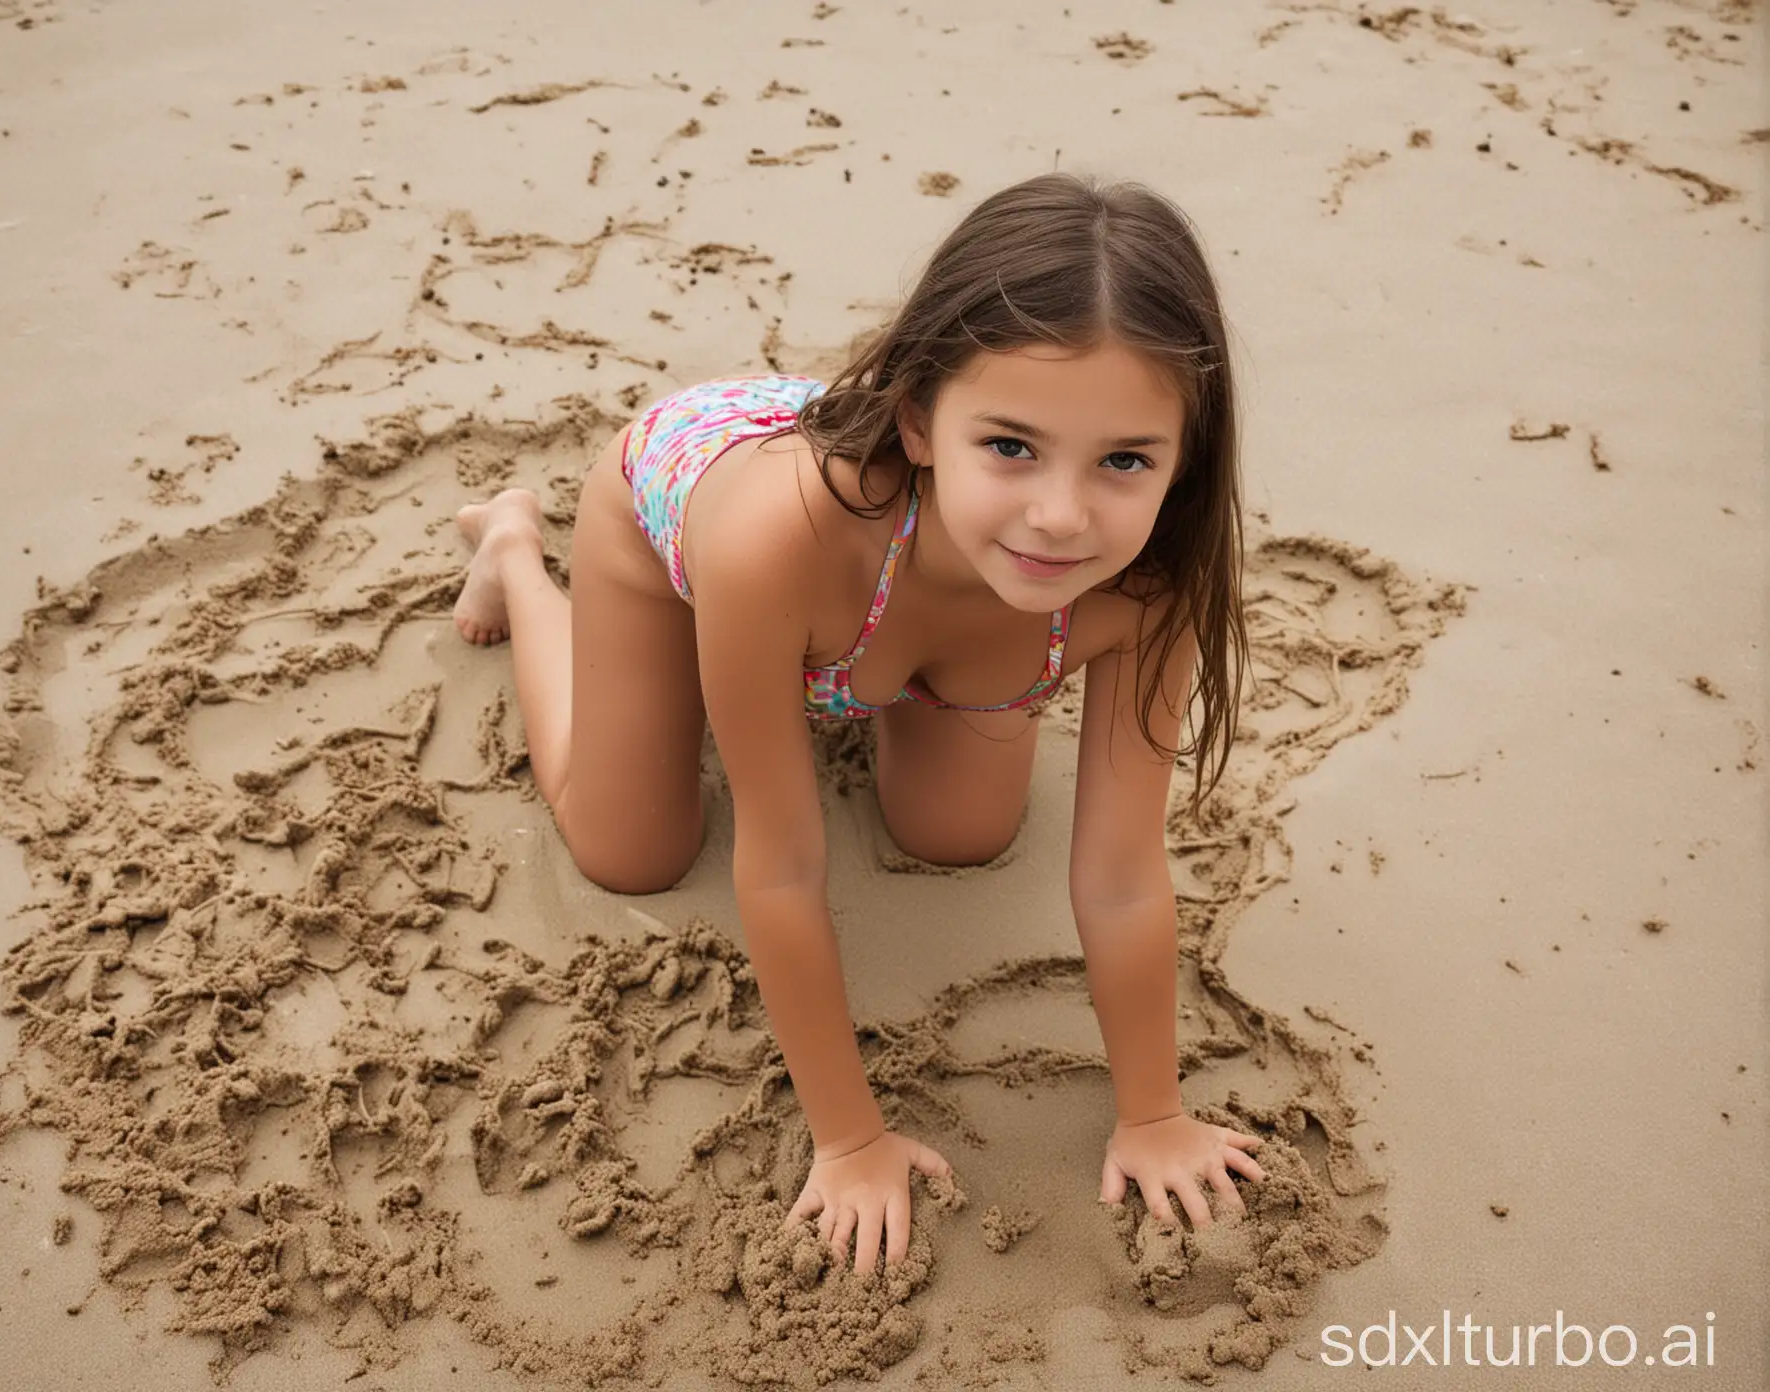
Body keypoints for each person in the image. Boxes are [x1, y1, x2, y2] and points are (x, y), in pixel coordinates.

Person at [451, 170, 1267, 1280]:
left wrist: (1155, 1112)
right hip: (696, 531)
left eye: (1125, 460)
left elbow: (1124, 874)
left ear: (1183, 458)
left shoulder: (1150, 585)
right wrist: (850, 1138)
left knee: (961, 833)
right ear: (922, 420)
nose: (1063, 515)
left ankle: (886, 669)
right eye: (1013, 447)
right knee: (629, 848)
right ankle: (512, 553)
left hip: (916, 588)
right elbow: (780, 869)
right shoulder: (769, 541)